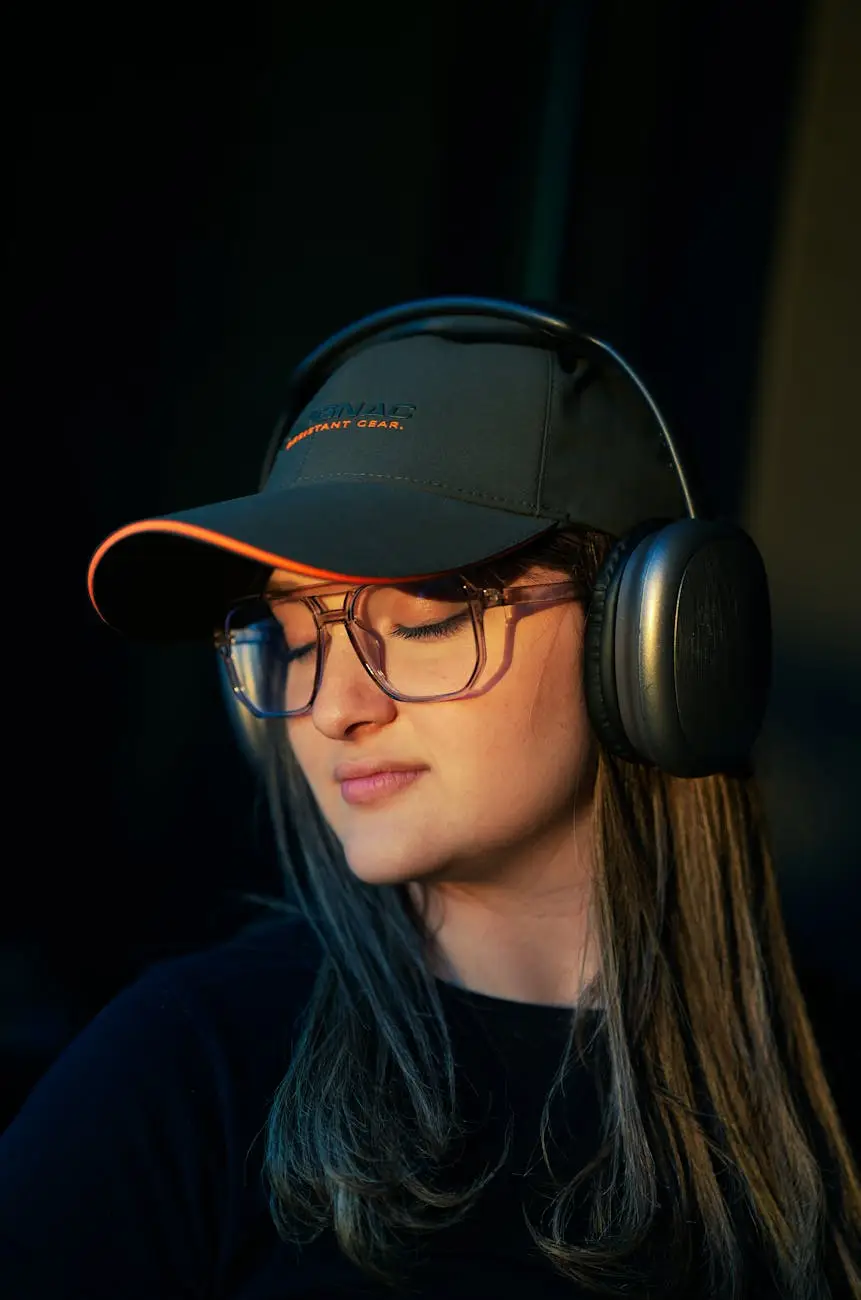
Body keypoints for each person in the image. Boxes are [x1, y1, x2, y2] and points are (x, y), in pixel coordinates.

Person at [1, 297, 859, 1300]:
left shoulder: (834, 1102)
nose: (335, 712)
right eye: (301, 641)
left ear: (653, 641)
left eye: (426, 621)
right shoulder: (185, 1069)